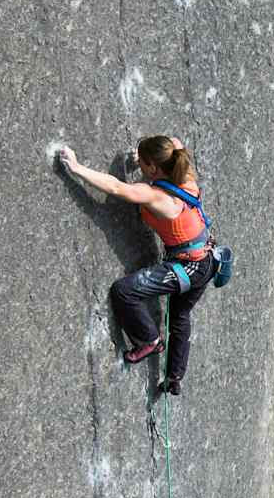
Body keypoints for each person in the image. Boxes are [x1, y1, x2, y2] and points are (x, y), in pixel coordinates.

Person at [58, 135, 216, 396]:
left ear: (154, 167)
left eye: (143, 164)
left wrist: (76, 168)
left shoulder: (157, 196)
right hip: (206, 260)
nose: (139, 166)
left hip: (189, 267)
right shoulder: (185, 176)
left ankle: (150, 340)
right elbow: (174, 142)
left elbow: (118, 188)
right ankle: (174, 377)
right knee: (179, 315)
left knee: (124, 291)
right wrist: (145, 157)